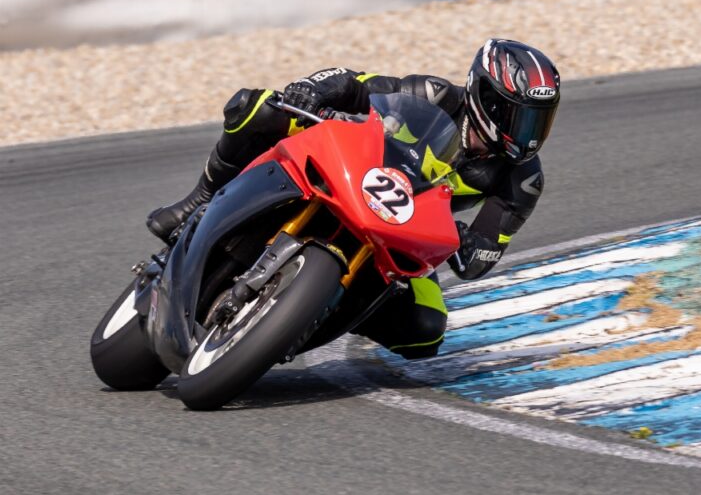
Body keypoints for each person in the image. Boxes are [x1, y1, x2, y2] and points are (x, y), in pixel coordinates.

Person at [147, 39, 560, 359]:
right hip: (350, 171)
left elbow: (482, 256)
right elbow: (353, 83)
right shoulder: (431, 94)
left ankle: (315, 311)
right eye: (520, 116)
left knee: (426, 331)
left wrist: (467, 243)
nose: (530, 134)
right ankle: (198, 200)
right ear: (486, 98)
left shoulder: (523, 180)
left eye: (540, 120)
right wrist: (311, 91)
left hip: (402, 233)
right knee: (256, 108)